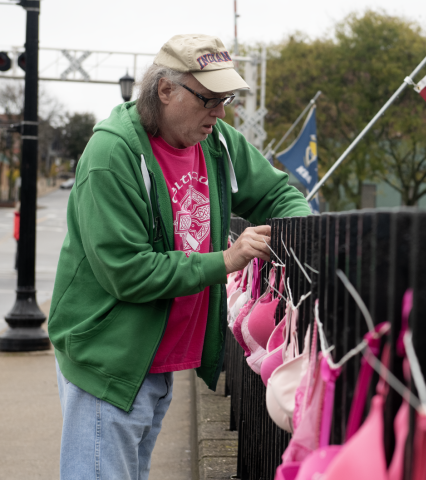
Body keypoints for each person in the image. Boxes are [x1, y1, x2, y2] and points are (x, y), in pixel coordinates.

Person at [48, 34, 311, 480]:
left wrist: (306, 235)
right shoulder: (112, 154)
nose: (221, 112)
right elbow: (126, 271)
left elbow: (277, 193)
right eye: (209, 99)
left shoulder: (218, 142)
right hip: (109, 361)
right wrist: (225, 261)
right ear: (166, 91)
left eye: (225, 99)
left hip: (158, 359)